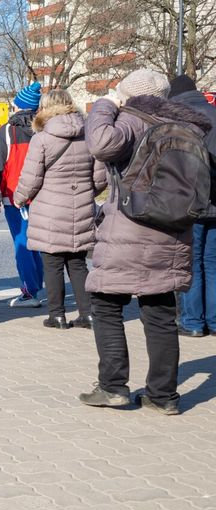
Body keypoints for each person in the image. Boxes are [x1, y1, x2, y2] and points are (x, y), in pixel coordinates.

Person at [81, 69, 206, 415]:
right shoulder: (189, 127)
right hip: (171, 231)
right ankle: (163, 396)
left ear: (128, 94)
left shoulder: (133, 121)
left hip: (128, 229)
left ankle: (113, 386)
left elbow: (100, 143)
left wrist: (106, 104)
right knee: (160, 313)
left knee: (106, 306)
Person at [13, 88, 106, 330]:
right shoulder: (88, 135)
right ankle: (89, 314)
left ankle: (57, 315)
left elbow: (31, 177)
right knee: (77, 263)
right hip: (82, 207)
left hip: (50, 210)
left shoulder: (42, 138)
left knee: (52, 262)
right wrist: (85, 193)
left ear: (46, 108)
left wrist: (20, 198)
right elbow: (100, 178)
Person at [0, 82, 45, 308]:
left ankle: (30, 291)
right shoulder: (44, 129)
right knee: (40, 243)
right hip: (42, 195)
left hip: (14, 196)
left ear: (18, 106)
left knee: (22, 242)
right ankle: (38, 285)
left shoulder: (7, 131)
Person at [168, 74, 216, 338]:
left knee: (190, 261)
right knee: (212, 262)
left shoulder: (178, 119)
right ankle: (214, 321)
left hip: (190, 201)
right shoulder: (213, 111)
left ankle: (193, 322)